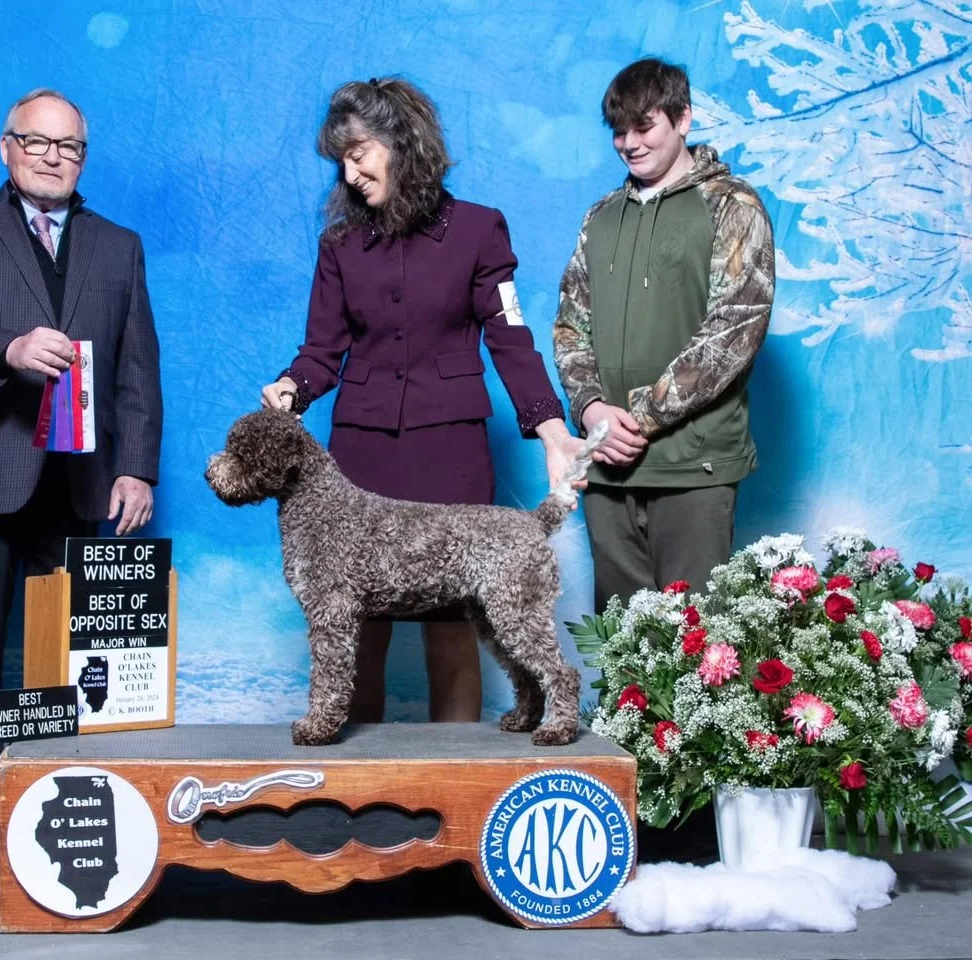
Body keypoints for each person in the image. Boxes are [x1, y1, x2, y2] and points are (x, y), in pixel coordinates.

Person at [262, 77, 583, 724]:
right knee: (357, 621)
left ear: (403, 143)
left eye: (360, 154)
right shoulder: (340, 246)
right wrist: (292, 388)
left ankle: (458, 786)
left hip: (452, 451)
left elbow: (511, 340)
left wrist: (551, 428)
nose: (350, 174)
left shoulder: (479, 230)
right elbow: (322, 350)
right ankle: (359, 790)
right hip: (362, 451)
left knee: (452, 623)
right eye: (342, 161)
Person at [0, 89, 162, 785]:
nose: (53, 158)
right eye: (38, 142)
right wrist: (8, 349)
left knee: (73, 658)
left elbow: (137, 364)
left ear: (83, 158)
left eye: (69, 146)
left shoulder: (120, 245)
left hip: (82, 483)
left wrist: (137, 468)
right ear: (7, 147)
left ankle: (55, 791)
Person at [553, 58, 775, 615]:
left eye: (643, 126)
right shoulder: (599, 218)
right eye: (618, 131)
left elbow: (735, 330)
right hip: (609, 468)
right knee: (623, 655)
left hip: (695, 466)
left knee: (701, 654)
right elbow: (569, 326)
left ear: (683, 120)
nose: (629, 142)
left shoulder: (732, 205)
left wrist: (638, 418)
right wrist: (591, 410)